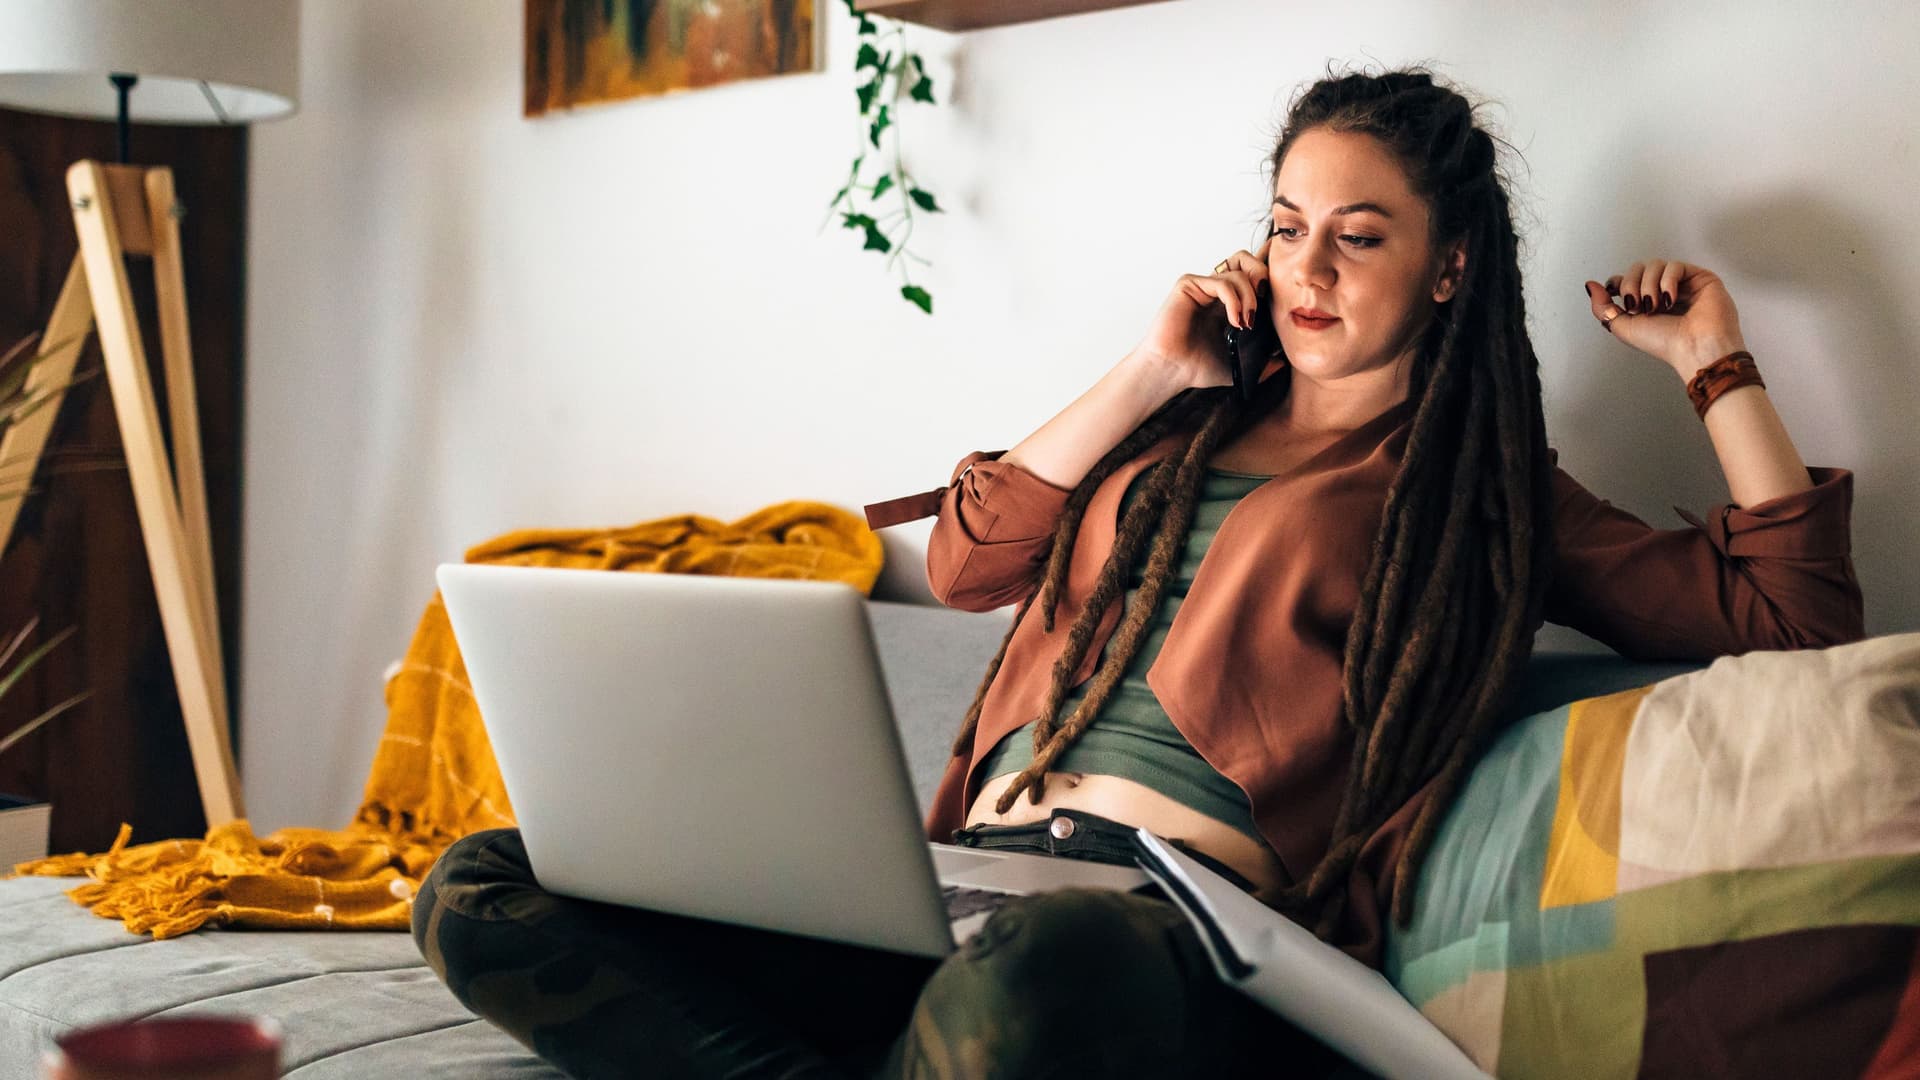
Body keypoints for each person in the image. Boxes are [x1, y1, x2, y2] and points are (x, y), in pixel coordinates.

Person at [412, 66, 1865, 1079]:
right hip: (951, 877)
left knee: (1041, 986)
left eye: (1360, 239)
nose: (1310, 267)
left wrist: (1714, 361)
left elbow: (1790, 620)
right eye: (1289, 228)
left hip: (1154, 928)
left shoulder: (1485, 498)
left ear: (1451, 269)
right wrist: (1151, 367)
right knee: (485, 883)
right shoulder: (1178, 425)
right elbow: (970, 561)